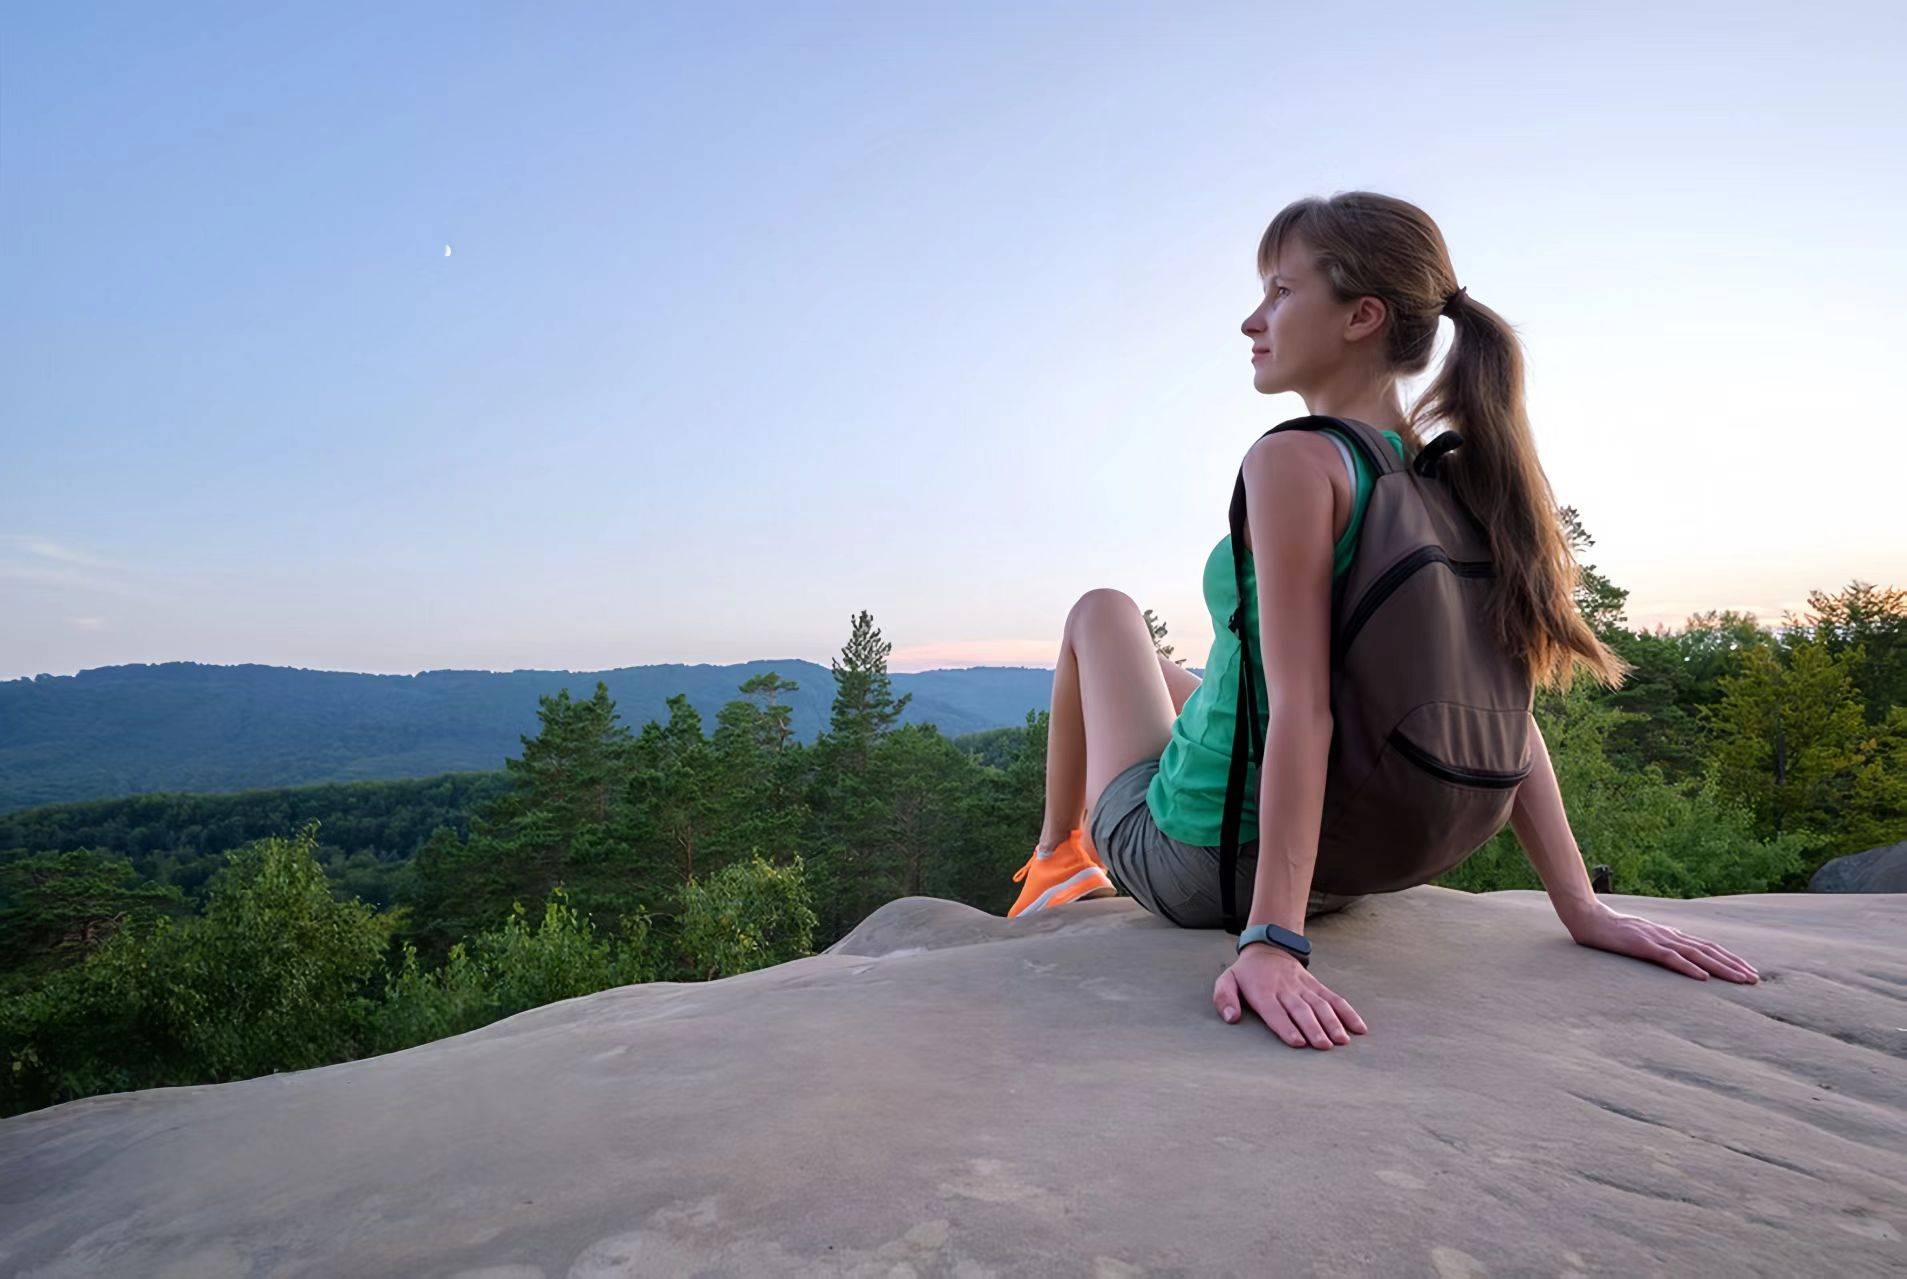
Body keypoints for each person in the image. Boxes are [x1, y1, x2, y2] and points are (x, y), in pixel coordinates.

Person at [1007, 191, 1761, 1051]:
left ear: (1361, 315)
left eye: (1280, 292)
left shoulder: (1295, 460)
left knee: (1103, 614)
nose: (1251, 320)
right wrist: (1579, 905)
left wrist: (1271, 941)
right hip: (1356, 857)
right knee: (1189, 675)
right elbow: (1497, 705)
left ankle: (1061, 854)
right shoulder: (1454, 475)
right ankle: (1079, 855)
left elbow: (1302, 709)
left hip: (1206, 867)